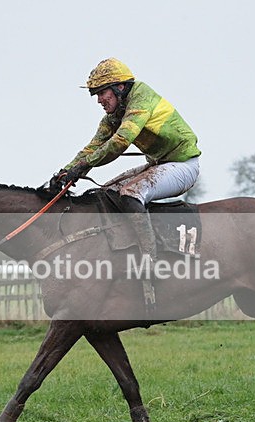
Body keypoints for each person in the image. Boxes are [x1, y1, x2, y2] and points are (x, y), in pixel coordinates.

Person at [53, 58, 201, 309]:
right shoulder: (114, 115)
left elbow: (120, 142)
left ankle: (151, 261)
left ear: (120, 87)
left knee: (131, 194)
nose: (99, 100)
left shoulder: (141, 99)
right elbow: (92, 147)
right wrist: (66, 171)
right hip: (159, 164)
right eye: (96, 95)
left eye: (102, 93)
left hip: (183, 165)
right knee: (107, 192)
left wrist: (83, 166)